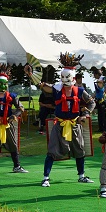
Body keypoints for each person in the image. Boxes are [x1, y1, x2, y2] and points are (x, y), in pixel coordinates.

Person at [39, 53, 96, 187]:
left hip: (75, 124)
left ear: (73, 78)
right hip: (59, 124)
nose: (65, 79)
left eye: (67, 77)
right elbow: (45, 87)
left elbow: (91, 103)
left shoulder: (80, 91)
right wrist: (33, 77)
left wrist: (85, 114)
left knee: (80, 150)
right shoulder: (57, 90)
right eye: (63, 77)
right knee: (52, 150)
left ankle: (81, 176)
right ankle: (46, 177)